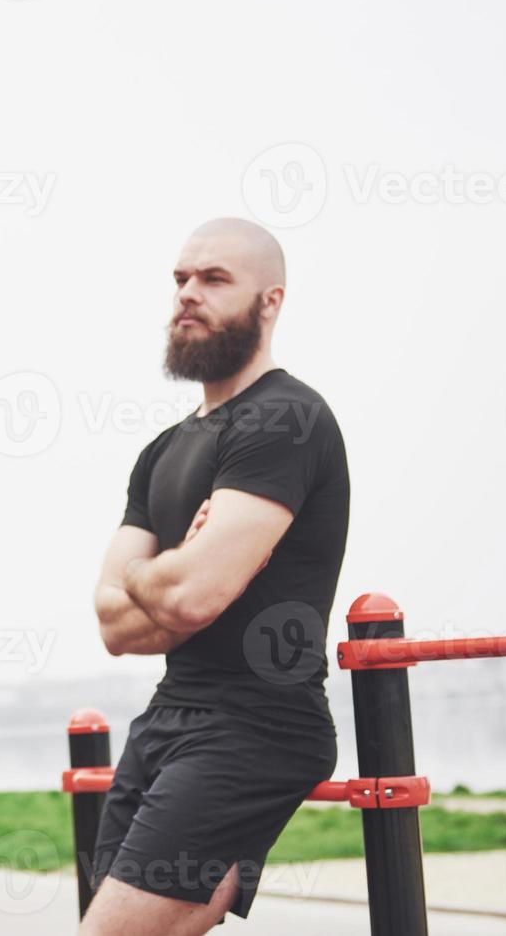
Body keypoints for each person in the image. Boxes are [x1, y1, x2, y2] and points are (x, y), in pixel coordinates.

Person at [85, 218, 350, 934]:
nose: (188, 294)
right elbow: (114, 625)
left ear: (271, 302)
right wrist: (173, 572)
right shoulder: (162, 451)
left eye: (214, 279)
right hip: (167, 717)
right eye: (180, 279)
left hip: (256, 723)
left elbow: (193, 597)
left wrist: (155, 575)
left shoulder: (286, 419)